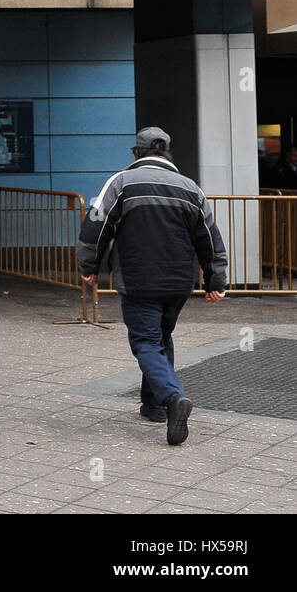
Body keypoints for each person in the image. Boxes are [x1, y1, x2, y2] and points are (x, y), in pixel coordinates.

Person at [76, 126, 227, 446]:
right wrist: (216, 279)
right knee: (161, 337)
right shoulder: (191, 188)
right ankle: (154, 406)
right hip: (178, 282)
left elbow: (96, 223)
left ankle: (173, 399)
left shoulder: (120, 183)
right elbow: (209, 236)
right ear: (167, 151)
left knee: (145, 342)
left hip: (139, 279)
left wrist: (89, 266)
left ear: (136, 153)